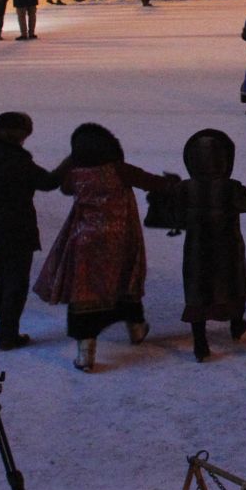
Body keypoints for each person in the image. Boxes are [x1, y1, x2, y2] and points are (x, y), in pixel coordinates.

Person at [33, 123, 177, 372]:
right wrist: (171, 182)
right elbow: (153, 183)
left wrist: (72, 162)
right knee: (124, 282)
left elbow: (65, 189)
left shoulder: (76, 175)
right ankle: (136, 328)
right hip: (120, 239)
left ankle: (85, 352)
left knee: (85, 291)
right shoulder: (119, 170)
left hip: (84, 240)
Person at [160, 129, 246, 363]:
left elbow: (173, 217)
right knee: (234, 287)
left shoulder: (184, 189)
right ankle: (236, 325)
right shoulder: (230, 187)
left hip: (197, 251)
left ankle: (200, 343)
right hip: (228, 250)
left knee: (197, 294)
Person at [0, 112, 57, 349]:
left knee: (4, 274)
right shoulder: (15, 159)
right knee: (15, 283)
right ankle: (8, 335)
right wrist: (71, 160)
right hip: (14, 226)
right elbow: (47, 182)